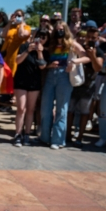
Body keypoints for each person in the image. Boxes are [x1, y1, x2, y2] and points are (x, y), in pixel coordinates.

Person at [40, 21, 87, 150]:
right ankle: (45, 137)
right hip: (51, 75)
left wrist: (74, 61)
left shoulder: (71, 44)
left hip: (64, 77)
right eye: (57, 30)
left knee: (62, 109)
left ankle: (58, 140)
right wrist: (49, 66)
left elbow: (86, 56)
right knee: (45, 108)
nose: (59, 32)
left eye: (61, 29)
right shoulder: (52, 44)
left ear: (66, 30)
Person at [67, 25, 104, 146]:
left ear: (98, 38)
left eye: (93, 37)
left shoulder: (99, 51)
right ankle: (67, 135)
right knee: (70, 111)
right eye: (88, 37)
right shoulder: (80, 49)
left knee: (84, 112)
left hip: (88, 85)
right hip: (75, 83)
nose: (91, 39)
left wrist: (92, 55)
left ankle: (80, 137)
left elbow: (98, 68)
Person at [12, 29, 48, 147]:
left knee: (30, 109)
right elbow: (17, 60)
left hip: (34, 82)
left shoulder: (44, 50)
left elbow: (42, 66)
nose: (41, 39)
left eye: (44, 37)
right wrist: (28, 50)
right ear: (34, 37)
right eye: (39, 36)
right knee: (21, 108)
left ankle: (27, 134)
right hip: (21, 81)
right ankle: (18, 134)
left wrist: (39, 52)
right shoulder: (24, 46)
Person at [0, 9, 31, 77]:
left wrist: (21, 24)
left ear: (23, 17)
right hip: (5, 55)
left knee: (12, 77)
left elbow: (21, 35)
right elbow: (3, 35)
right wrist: (10, 22)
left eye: (19, 15)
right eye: (15, 15)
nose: (17, 17)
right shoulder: (10, 27)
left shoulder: (27, 27)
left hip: (16, 57)